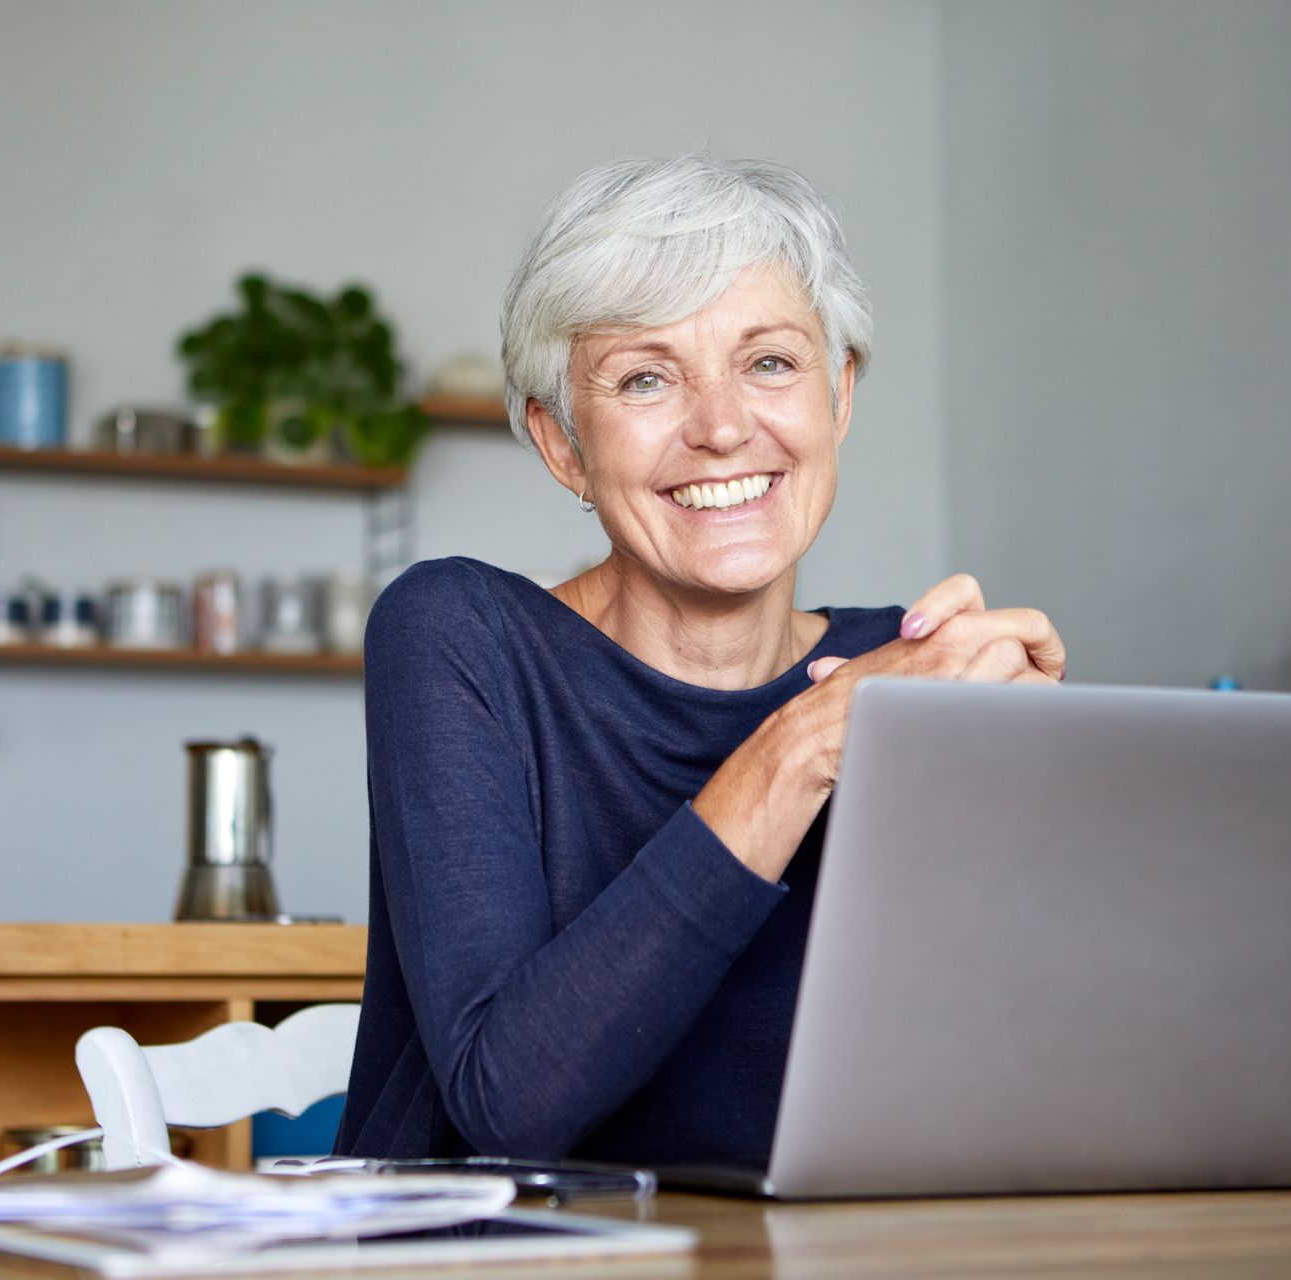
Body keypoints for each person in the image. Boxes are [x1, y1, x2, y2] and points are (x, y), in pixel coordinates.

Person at [334, 156, 1065, 1166]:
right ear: (564, 446)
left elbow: (1007, 1081)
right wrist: (806, 745)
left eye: (769, 362)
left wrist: (1058, 788)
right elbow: (509, 1104)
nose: (721, 427)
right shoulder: (458, 634)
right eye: (645, 377)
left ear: (839, 395)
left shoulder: (909, 669)